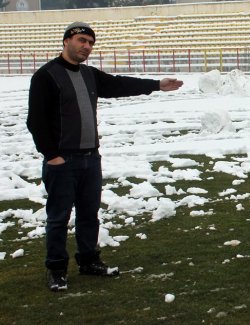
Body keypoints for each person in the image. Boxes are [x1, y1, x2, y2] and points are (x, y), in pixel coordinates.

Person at [26, 22, 183, 292]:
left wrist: (157, 84)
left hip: (90, 158)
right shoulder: (46, 76)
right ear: (67, 41)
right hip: (62, 161)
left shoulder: (89, 75)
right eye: (81, 40)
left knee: (89, 214)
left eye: (90, 43)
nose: (86, 46)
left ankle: (89, 261)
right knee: (58, 217)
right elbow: (36, 120)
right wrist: (51, 155)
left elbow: (119, 84)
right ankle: (56, 269)